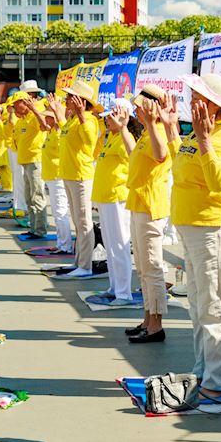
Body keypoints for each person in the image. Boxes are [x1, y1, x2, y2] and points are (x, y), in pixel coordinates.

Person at [172, 73, 221, 397]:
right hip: (192, 225)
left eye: (197, 96)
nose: (191, 101)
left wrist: (203, 141)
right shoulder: (200, 132)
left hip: (212, 226)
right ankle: (202, 369)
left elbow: (218, 183)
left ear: (214, 105)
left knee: (213, 303)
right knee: (197, 302)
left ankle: (216, 380)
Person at [125, 86, 179, 342]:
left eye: (140, 106)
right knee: (143, 267)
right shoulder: (147, 133)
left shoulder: (158, 132)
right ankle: (148, 318)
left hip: (150, 205)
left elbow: (160, 155)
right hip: (138, 203)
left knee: (152, 266)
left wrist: (152, 122)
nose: (136, 110)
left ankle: (156, 324)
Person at [48, 79, 102, 278]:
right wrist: (56, 112)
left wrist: (81, 116)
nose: (67, 99)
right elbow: (64, 132)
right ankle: (79, 261)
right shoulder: (72, 120)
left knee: (84, 221)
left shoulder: (89, 119)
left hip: (81, 176)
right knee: (77, 221)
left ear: (81, 101)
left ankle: (86, 265)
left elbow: (89, 140)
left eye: (71, 96)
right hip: (69, 175)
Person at [93, 99, 137, 304]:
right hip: (106, 197)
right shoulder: (111, 137)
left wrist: (123, 127)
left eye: (110, 118)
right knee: (110, 246)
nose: (106, 122)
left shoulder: (124, 138)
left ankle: (123, 293)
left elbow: (133, 156)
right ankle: (114, 287)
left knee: (119, 245)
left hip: (118, 198)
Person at [14, 90, 51, 239]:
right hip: (25, 161)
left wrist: (35, 110)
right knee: (29, 197)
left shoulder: (34, 116)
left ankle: (40, 229)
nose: (15, 108)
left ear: (25, 103)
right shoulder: (22, 119)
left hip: (35, 160)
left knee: (37, 195)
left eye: (16, 104)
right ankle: (33, 226)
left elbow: (44, 127)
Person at [40, 104, 74, 258]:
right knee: (56, 210)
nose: (45, 119)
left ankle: (66, 245)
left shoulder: (59, 132)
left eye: (48, 116)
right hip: (51, 176)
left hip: (58, 176)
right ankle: (61, 242)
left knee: (61, 211)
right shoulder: (51, 131)